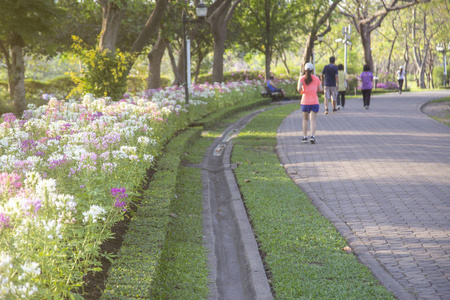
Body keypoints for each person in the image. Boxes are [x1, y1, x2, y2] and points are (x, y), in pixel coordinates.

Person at [297, 62, 323, 144]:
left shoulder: (302, 78)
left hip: (305, 101)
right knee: (313, 120)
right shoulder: (316, 78)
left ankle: (305, 137)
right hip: (314, 101)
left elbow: (298, 89)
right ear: (312, 70)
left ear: (304, 69)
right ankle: (312, 136)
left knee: (305, 119)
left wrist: (303, 92)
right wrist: (315, 90)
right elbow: (320, 89)